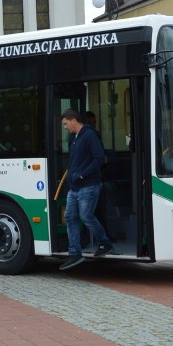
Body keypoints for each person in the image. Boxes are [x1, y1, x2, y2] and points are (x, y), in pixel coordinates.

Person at [60, 109, 114, 271]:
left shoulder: (89, 135)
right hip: (75, 187)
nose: (65, 127)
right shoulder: (74, 137)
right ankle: (75, 253)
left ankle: (105, 243)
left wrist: (83, 175)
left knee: (86, 216)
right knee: (70, 217)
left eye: (65, 124)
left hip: (88, 185)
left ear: (73, 120)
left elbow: (99, 158)